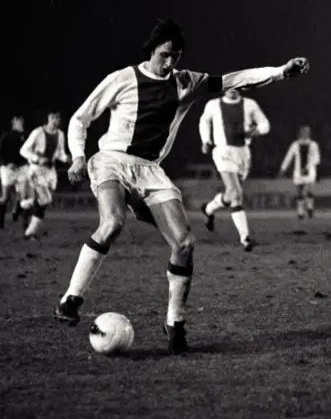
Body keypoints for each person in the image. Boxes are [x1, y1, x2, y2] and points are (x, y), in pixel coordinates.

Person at [55, 19, 310, 355]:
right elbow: (80, 118)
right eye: (164, 55)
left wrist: (279, 72)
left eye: (175, 56)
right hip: (111, 161)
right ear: (151, 51)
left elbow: (233, 79)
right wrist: (77, 157)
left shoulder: (186, 82)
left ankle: (174, 323)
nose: (169, 62)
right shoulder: (123, 79)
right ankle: (71, 299)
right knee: (113, 222)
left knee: (185, 243)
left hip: (150, 171)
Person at [198, 88, 269, 250]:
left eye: (238, 85)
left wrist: (256, 130)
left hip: (243, 154)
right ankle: (245, 238)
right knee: (236, 194)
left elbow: (265, 124)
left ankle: (209, 208)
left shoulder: (250, 104)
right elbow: (204, 121)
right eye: (230, 85)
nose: (234, 88)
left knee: (231, 194)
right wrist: (205, 140)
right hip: (223, 152)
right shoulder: (213, 104)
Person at [19, 110, 69, 239]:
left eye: (57, 117)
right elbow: (23, 150)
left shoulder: (60, 134)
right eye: (52, 117)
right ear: (47, 118)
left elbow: (59, 153)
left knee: (44, 202)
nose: (55, 120)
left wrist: (66, 158)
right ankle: (29, 233)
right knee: (46, 199)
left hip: (50, 172)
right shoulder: (38, 132)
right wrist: (37, 158)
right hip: (37, 170)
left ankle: (25, 206)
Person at [278, 125, 321, 219]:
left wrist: (307, 167)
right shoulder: (295, 145)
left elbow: (317, 158)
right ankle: (300, 212)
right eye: (304, 132)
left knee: (310, 190)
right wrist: (283, 168)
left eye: (307, 132)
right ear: (300, 133)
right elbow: (289, 156)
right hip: (298, 171)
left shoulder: (313, 145)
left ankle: (310, 209)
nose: (306, 133)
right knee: (300, 192)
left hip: (310, 171)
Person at [0, 115, 29, 229]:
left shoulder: (26, 136)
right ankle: (1, 224)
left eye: (21, 121)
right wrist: (7, 164)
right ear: (13, 122)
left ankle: (23, 223)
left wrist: (25, 162)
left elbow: (30, 151)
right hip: (8, 169)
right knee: (5, 197)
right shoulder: (6, 136)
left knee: (24, 197)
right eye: (18, 121)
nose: (20, 123)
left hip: (21, 168)